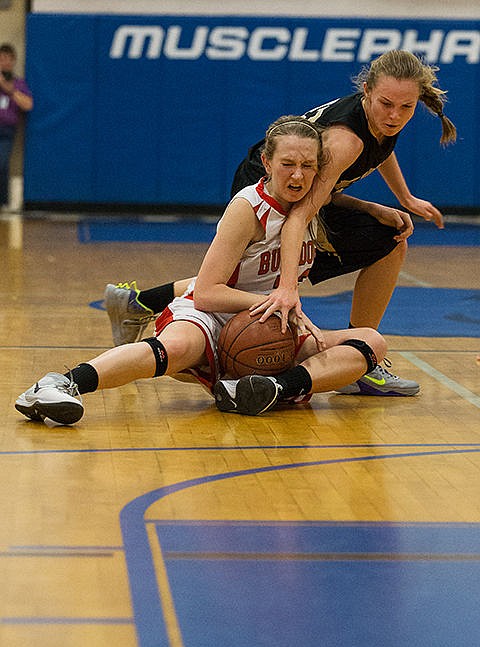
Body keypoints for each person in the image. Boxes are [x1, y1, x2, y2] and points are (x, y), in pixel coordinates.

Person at [104, 49, 456, 397]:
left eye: (405, 107)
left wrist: (403, 199)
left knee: (255, 271)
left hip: (297, 188)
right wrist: (288, 288)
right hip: (275, 188)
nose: (395, 115)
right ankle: (359, 362)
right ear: (366, 91)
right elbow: (300, 215)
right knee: (258, 277)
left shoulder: (380, 116)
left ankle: (140, 302)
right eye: (387, 104)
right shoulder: (345, 139)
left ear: (416, 100)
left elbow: (380, 150)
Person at [15, 116, 387, 424]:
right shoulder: (248, 208)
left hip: (267, 325)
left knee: (371, 341)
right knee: (173, 347)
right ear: (267, 161)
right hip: (212, 314)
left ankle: (266, 389)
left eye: (308, 166)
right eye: (288, 163)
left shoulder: (311, 208)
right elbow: (207, 291)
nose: (297, 175)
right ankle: (59, 384)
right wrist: (277, 303)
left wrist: (380, 210)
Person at [0, 43, 33, 209]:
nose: (4, 62)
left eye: (7, 59)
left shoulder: (18, 84)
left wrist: (7, 89)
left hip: (6, 131)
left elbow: (28, 105)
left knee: (2, 163)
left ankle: (4, 201)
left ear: (13, 61)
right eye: (1, 59)